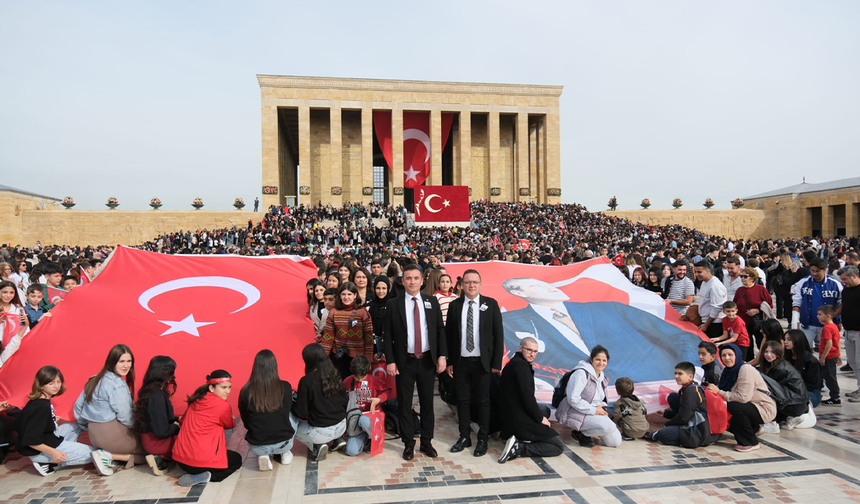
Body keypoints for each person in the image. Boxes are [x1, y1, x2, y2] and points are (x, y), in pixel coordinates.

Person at [500, 277, 703, 384]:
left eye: (546, 283)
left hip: (660, 384)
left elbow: (677, 336)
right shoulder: (509, 322)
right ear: (518, 292)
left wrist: (693, 369)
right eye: (537, 286)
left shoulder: (610, 308)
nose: (550, 287)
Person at [383, 263, 448, 460]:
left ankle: (426, 442)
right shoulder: (394, 304)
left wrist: (442, 356)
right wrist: (391, 361)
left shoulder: (431, 301)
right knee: (405, 403)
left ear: (422, 280)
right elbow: (387, 335)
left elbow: (439, 330)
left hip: (427, 360)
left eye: (415, 278)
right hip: (404, 362)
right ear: (403, 281)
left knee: (428, 403)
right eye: (408, 278)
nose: (412, 282)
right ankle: (408, 442)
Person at [445, 269, 504, 457]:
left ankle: (483, 438)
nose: (471, 285)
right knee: (462, 401)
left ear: (480, 284)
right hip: (461, 362)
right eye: (468, 282)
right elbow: (449, 336)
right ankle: (464, 436)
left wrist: (496, 363)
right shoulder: (454, 306)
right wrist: (450, 361)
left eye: (475, 282)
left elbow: (498, 334)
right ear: (461, 284)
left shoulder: (491, 304)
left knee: (483, 401)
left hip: (483, 362)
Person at [17, 366, 114, 477]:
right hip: (39, 450)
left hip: (48, 439)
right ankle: (49, 461)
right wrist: (53, 452)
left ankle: (58, 456)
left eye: (58, 382)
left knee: (75, 426)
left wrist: (50, 420)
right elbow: (31, 440)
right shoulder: (41, 406)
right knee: (96, 454)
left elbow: (27, 423)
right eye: (51, 383)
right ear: (41, 385)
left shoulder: (38, 401)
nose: (56, 386)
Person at [74, 344, 145, 467]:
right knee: (149, 452)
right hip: (112, 435)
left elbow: (77, 407)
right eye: (121, 361)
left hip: (94, 436)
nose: (126, 365)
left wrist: (86, 426)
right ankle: (108, 455)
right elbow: (126, 416)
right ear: (112, 362)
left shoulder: (94, 379)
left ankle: (107, 454)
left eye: (129, 361)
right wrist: (140, 430)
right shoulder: (117, 384)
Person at [497, 337, 565, 464]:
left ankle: (521, 437)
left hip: (509, 412)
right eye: (529, 350)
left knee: (545, 410)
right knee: (557, 446)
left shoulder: (515, 362)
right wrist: (539, 419)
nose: (532, 354)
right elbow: (527, 398)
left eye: (535, 351)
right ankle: (519, 448)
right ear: (520, 348)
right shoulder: (521, 367)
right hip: (517, 417)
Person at [173, 369, 241, 486]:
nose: (228, 391)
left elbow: (182, 421)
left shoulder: (195, 399)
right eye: (223, 387)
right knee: (237, 459)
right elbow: (229, 424)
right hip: (202, 463)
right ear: (211, 388)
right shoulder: (222, 405)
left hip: (181, 461)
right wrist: (233, 418)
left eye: (229, 387)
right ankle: (209, 476)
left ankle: (198, 473)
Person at [705, 344, 776, 452]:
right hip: (750, 405)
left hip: (763, 407)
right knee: (722, 407)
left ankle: (750, 442)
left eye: (730, 355)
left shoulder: (745, 369)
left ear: (737, 355)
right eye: (724, 355)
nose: (727, 358)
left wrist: (719, 391)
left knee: (732, 407)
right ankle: (754, 429)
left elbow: (743, 398)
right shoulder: (727, 370)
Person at [239, 350, 295, 471]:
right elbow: (287, 410)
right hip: (283, 441)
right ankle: (285, 454)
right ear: (274, 366)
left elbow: (246, 420)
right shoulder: (285, 386)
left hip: (257, 444)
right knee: (291, 416)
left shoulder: (246, 391)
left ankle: (263, 455)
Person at [290, 343, 348, 462]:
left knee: (292, 428)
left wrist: (292, 402)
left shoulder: (306, 381)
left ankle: (317, 446)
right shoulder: (335, 373)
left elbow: (300, 412)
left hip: (321, 431)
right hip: (342, 426)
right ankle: (338, 440)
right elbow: (344, 400)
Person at [555, 345, 622, 448]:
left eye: (604, 360)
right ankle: (581, 434)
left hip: (593, 411)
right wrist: (594, 410)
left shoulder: (602, 378)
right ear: (591, 359)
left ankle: (592, 429)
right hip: (574, 412)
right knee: (608, 426)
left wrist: (603, 407)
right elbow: (573, 399)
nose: (601, 363)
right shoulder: (581, 373)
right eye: (598, 359)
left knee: (615, 442)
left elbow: (599, 398)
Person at [645, 361, 715, 447]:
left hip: (696, 430)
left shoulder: (691, 392)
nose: (676, 376)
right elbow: (681, 411)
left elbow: (683, 417)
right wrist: (666, 413)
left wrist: (668, 424)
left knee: (663, 434)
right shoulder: (687, 388)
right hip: (690, 421)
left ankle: (688, 441)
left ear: (690, 377)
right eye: (675, 373)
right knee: (672, 397)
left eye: (680, 374)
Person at [133, 356, 179, 476]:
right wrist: (177, 427)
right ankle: (160, 457)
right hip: (157, 443)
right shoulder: (156, 396)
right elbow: (161, 431)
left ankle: (162, 459)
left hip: (152, 439)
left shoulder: (151, 391)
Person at [322, 281, 374, 379]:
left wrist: (368, 359)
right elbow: (328, 336)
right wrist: (324, 357)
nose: (346, 297)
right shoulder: (333, 312)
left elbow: (368, 338)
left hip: (358, 358)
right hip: (338, 356)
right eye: (343, 294)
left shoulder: (362, 312)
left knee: (355, 386)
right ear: (340, 296)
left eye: (349, 294)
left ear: (355, 295)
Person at [342, 354, 391, 456]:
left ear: (369, 369)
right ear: (351, 370)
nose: (360, 380)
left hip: (371, 418)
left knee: (363, 420)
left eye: (362, 377)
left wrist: (379, 399)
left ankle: (373, 437)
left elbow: (388, 390)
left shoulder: (374, 380)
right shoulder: (347, 381)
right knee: (351, 451)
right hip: (354, 421)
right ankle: (365, 438)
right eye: (357, 377)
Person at [791, 258, 842, 350]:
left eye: (817, 271)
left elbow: (841, 303)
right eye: (812, 270)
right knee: (803, 350)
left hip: (828, 325)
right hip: (808, 324)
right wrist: (794, 320)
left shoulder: (835, 284)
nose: (814, 273)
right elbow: (797, 301)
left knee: (828, 353)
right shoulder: (803, 282)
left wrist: (835, 318)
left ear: (824, 270)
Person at [759, 341, 810, 430]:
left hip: (795, 405)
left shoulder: (780, 369)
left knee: (763, 394)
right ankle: (789, 418)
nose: (768, 355)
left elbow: (767, 387)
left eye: (772, 352)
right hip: (796, 402)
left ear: (778, 353)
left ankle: (772, 425)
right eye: (766, 352)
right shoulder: (779, 364)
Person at [733, 267, 772, 353]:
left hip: (758, 322)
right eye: (741, 276)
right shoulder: (740, 290)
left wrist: (757, 310)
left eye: (745, 276)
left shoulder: (760, 289)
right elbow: (735, 304)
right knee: (746, 345)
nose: (742, 278)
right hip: (743, 323)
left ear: (752, 278)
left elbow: (769, 305)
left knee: (761, 343)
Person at [837, 265, 860, 402]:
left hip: (858, 331)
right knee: (853, 362)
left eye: (845, 279)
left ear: (854, 276)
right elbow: (844, 305)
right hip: (848, 330)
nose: (843, 282)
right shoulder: (847, 290)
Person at [783, 329, 823, 407]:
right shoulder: (786, 358)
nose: (785, 342)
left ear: (797, 340)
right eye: (785, 339)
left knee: (788, 399)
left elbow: (813, 384)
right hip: (791, 390)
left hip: (810, 393)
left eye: (789, 340)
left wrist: (793, 388)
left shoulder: (811, 361)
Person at [0, 280, 28, 370]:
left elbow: (25, 332)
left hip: (13, 348)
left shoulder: (19, 309)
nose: (8, 295)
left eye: (11, 292)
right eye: (5, 292)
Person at [695, 262, 727, 340]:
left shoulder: (715, 285)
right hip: (706, 321)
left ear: (708, 271)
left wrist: (706, 324)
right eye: (695, 272)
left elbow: (717, 308)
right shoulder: (704, 282)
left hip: (714, 323)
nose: (696, 274)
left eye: (699, 272)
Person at [817, 305, 841, 405]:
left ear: (828, 316)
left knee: (830, 377)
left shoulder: (827, 328)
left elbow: (829, 344)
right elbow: (837, 342)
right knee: (825, 376)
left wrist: (823, 357)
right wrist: (839, 355)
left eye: (820, 314)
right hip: (833, 355)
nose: (817, 316)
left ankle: (835, 397)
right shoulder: (834, 326)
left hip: (828, 356)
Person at [367, 277, 391, 361]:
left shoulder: (392, 305)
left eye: (384, 288)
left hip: (388, 343)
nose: (381, 291)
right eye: (378, 288)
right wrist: (373, 351)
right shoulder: (370, 306)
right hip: (373, 342)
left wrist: (387, 351)